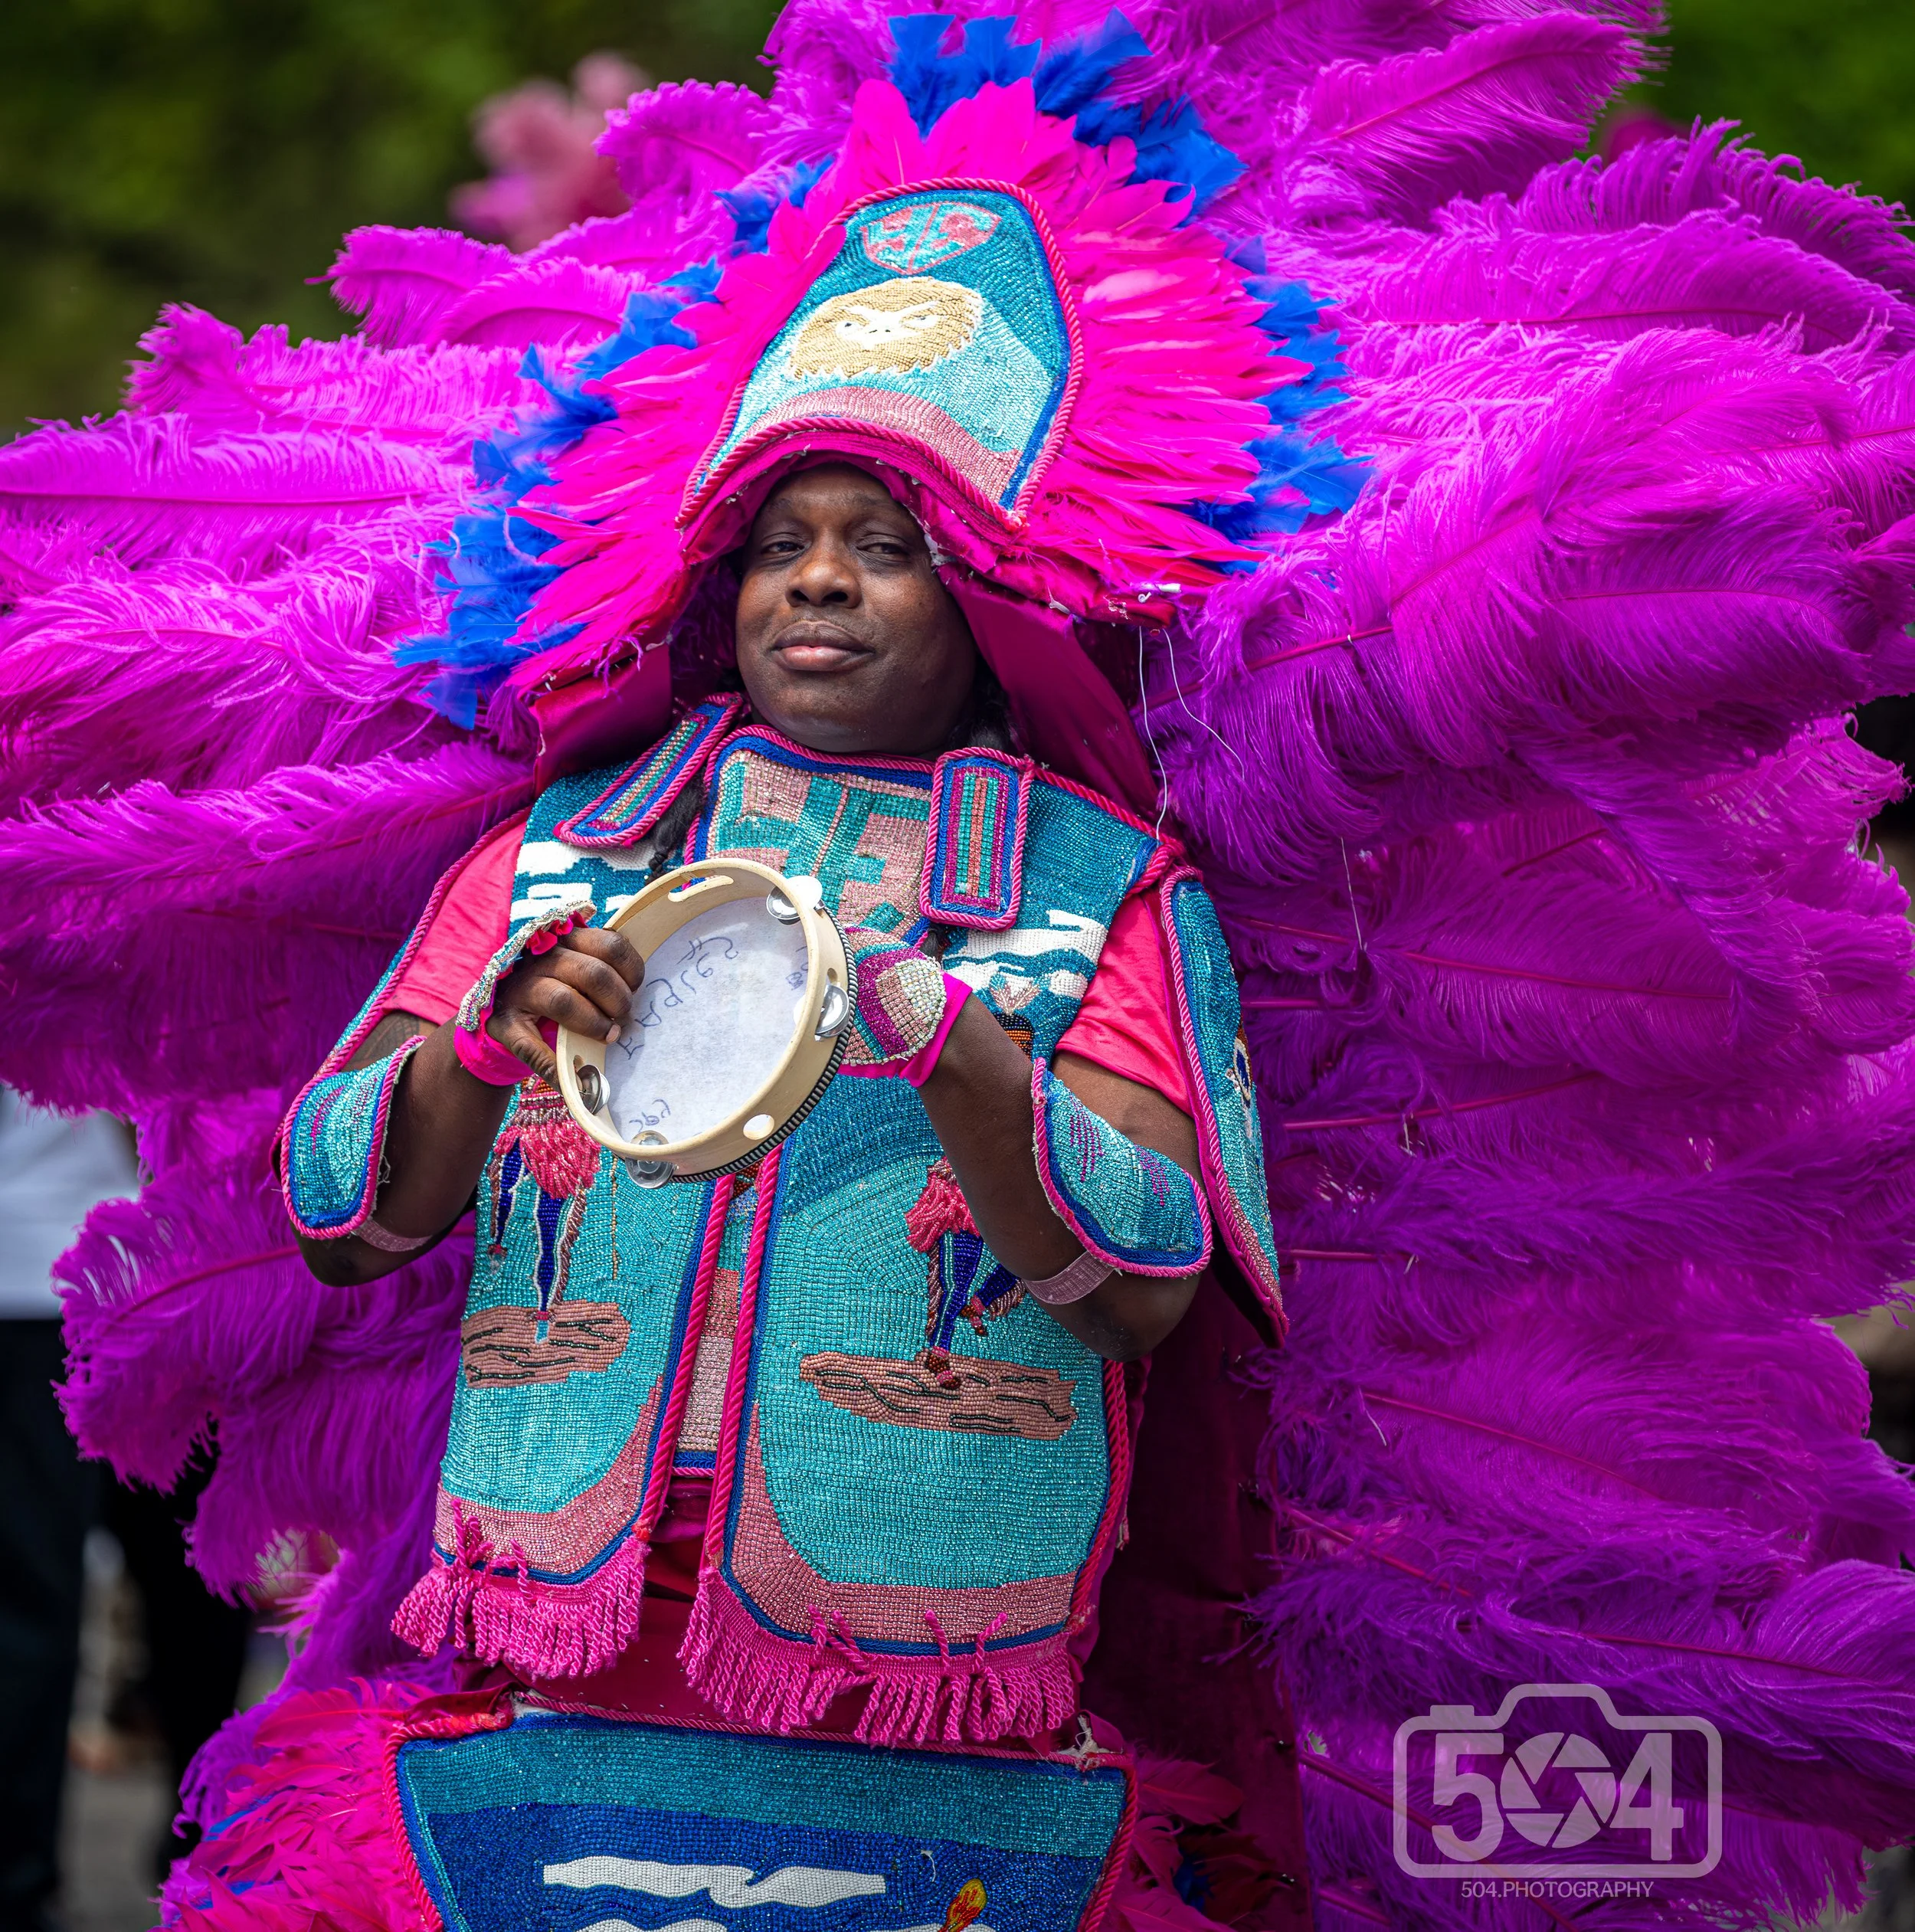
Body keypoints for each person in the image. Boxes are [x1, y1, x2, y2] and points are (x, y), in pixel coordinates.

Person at [12, 4, 1915, 1926]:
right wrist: (485, 1048)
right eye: (777, 540)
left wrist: (955, 1045)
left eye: (882, 543)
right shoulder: (559, 854)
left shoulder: (1095, 885)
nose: (817, 578)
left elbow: (1144, 1278)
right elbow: (349, 1213)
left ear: (984, 595)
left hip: (929, 1729)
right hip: (533, 1694)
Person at [0, 1092, 133, 1932]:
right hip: (63, 1268)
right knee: (31, 1605)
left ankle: (19, 1878)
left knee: (33, 1608)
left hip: (59, 1273)